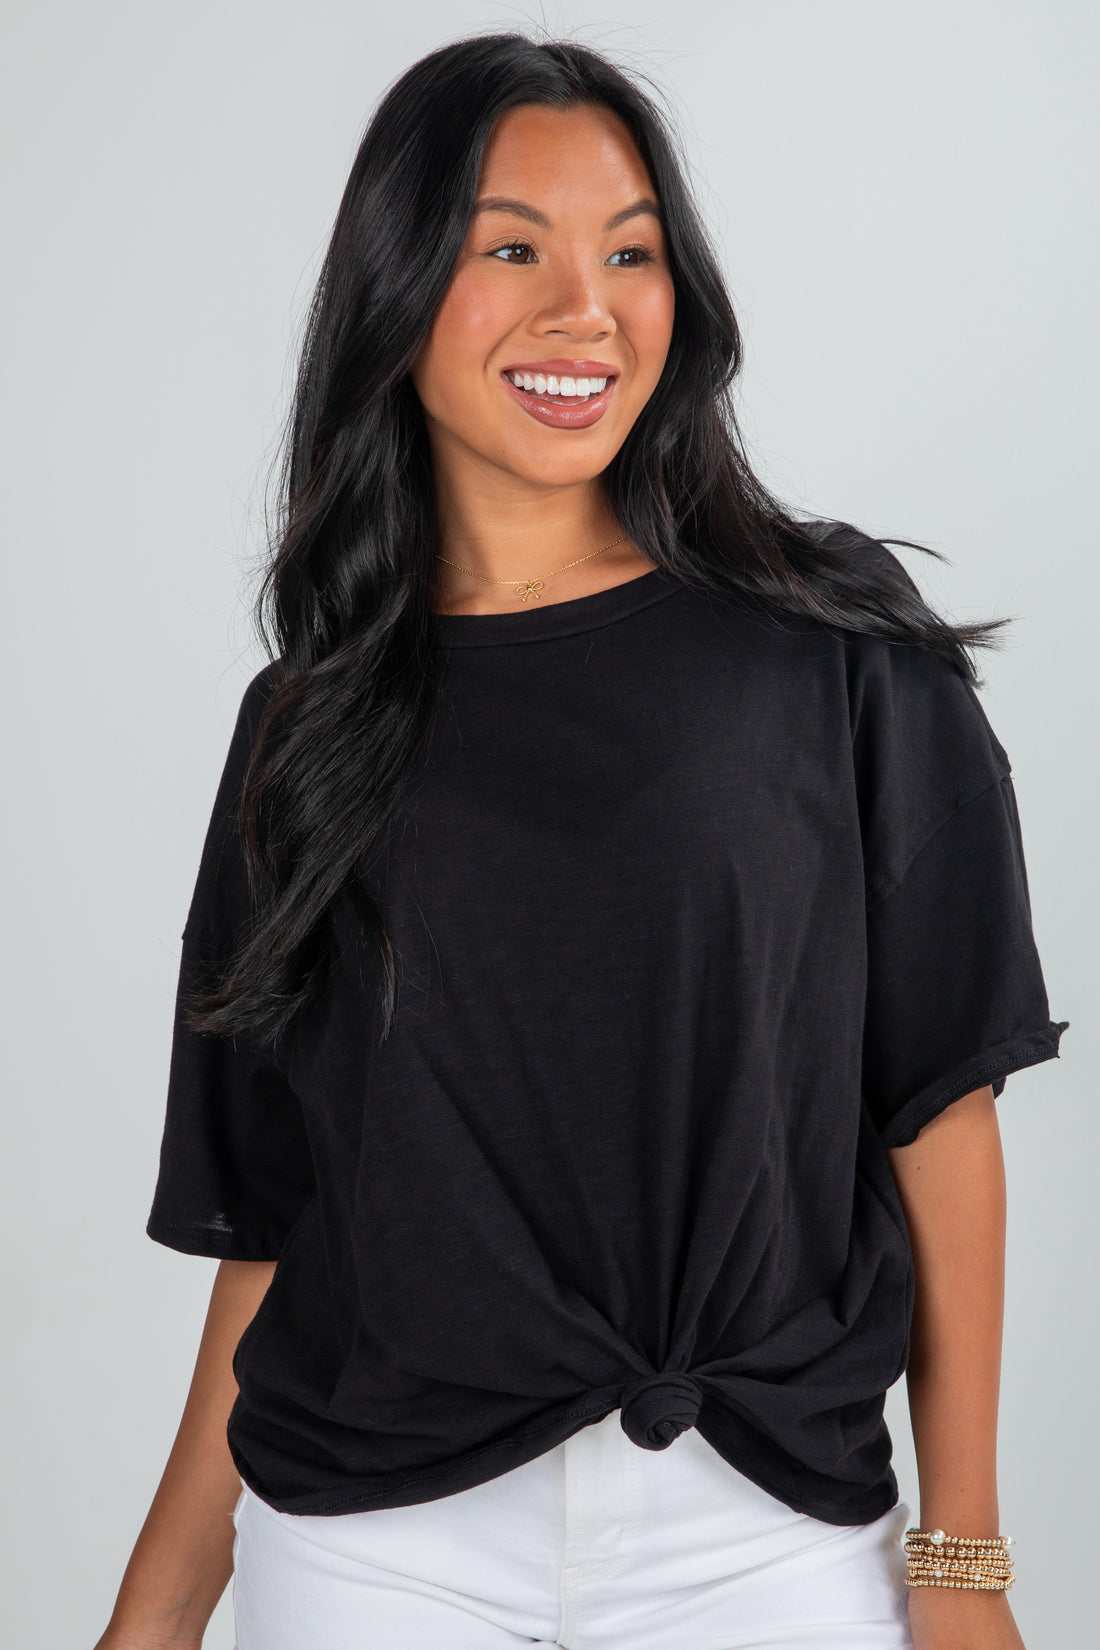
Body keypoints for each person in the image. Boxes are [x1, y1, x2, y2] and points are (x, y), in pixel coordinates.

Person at [95, 31, 1066, 1650]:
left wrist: (963, 1559)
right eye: (512, 249)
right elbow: (275, 1228)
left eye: (631, 251)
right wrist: (155, 1614)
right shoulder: (304, 726)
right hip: (372, 1548)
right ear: (398, 291)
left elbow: (940, 1108)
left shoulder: (830, 647)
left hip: (763, 1536)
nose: (585, 310)